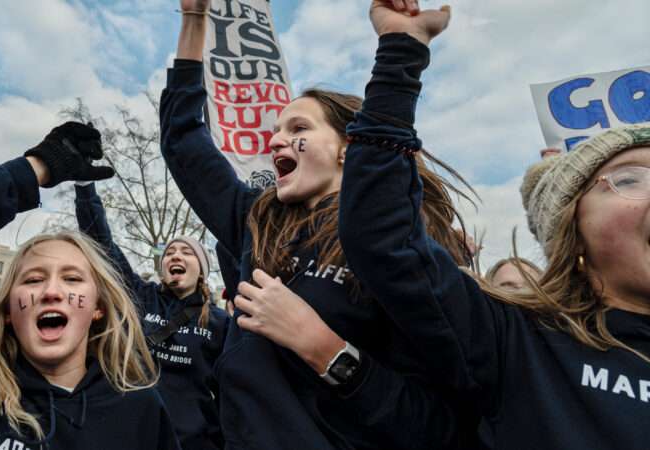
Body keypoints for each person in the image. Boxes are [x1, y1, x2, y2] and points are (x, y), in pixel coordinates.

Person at [161, 1, 478, 448]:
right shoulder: (258, 223)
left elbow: (439, 426)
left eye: (298, 127)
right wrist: (195, 20)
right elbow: (183, 140)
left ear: (348, 148)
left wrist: (324, 349)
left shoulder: (399, 250)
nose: (275, 140)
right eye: (276, 130)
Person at [336, 4, 650, 449]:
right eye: (630, 179)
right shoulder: (519, 343)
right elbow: (382, 238)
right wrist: (400, 53)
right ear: (570, 234)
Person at [0, 122, 181, 450]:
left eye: (72, 278)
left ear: (98, 308)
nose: (51, 292)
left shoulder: (140, 408)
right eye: (33, 279)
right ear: (9, 309)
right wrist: (36, 167)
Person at [75, 181, 229, 450]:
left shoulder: (220, 323)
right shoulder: (141, 297)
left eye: (186, 252)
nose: (175, 256)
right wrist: (85, 188)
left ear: (202, 270)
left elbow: (234, 394)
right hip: (132, 436)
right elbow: (102, 246)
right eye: (169, 253)